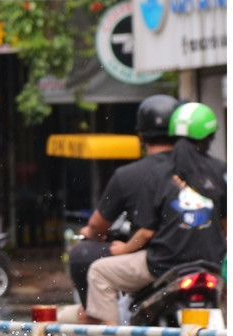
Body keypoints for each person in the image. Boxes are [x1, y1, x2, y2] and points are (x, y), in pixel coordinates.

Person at [84, 101, 227, 336]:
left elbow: (147, 232)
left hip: (163, 265)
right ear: (211, 136)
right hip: (212, 263)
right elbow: (224, 224)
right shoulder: (220, 170)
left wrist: (123, 249)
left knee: (99, 272)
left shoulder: (158, 173)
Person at [64, 94, 180, 314]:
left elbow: (140, 231)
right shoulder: (203, 170)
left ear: (141, 135)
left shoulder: (132, 176)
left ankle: (104, 330)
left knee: (82, 255)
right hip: (203, 254)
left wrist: (97, 235)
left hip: (155, 259)